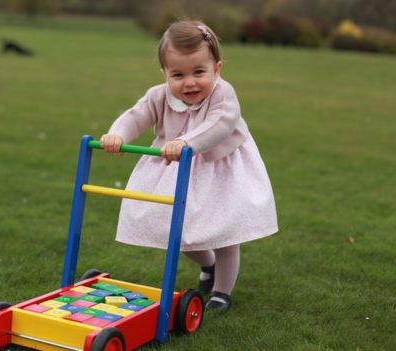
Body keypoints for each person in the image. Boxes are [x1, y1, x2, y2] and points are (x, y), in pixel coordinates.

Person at [100, 20, 278, 311]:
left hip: (220, 169)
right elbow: (136, 115)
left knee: (224, 233)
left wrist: (186, 142)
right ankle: (207, 265)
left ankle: (222, 291)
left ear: (217, 68)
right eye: (178, 74)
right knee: (179, 233)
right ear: (165, 73)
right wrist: (118, 133)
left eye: (199, 72)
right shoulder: (159, 95)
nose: (189, 82)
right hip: (178, 168)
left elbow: (219, 125)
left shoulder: (223, 94)